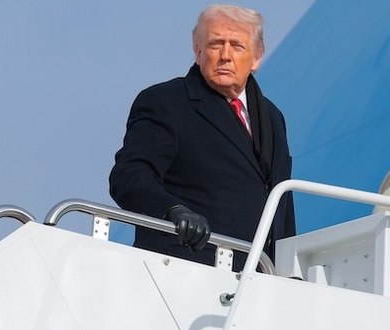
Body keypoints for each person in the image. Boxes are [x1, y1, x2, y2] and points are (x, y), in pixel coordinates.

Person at [109, 4, 295, 268]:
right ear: (198, 51)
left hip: (259, 276)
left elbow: (281, 202)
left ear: (257, 58)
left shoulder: (273, 117)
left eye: (237, 46)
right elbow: (129, 176)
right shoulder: (166, 102)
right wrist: (172, 210)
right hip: (185, 266)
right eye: (216, 44)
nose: (225, 55)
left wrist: (287, 272)